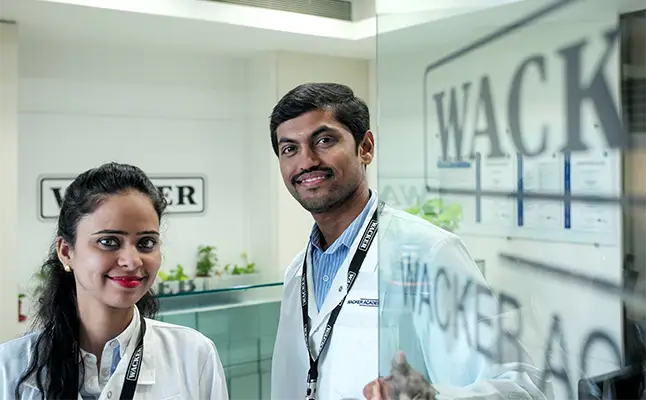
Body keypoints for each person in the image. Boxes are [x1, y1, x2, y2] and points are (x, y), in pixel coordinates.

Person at [269, 83, 552, 400]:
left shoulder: (429, 253)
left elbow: (520, 386)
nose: (306, 161)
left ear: (366, 148)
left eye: (324, 140)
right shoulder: (298, 273)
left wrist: (430, 398)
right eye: (289, 148)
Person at [0, 162, 229, 400]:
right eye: (108, 242)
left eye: (146, 243)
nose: (132, 261)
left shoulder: (193, 355)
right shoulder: (8, 368)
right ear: (66, 251)